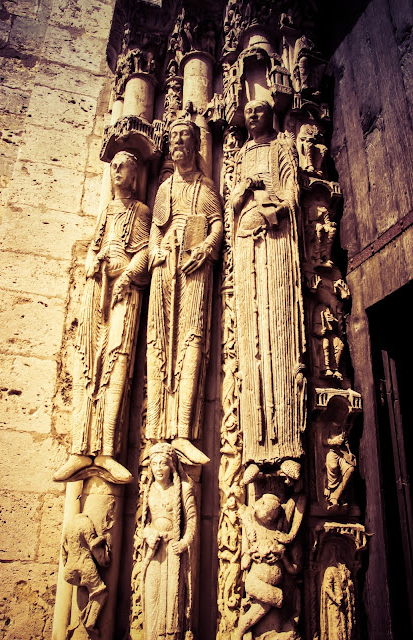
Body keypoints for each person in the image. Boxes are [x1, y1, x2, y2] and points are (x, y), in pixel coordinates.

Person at [54, 151, 151, 484]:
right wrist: (92, 261)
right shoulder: (107, 209)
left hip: (124, 291)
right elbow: (95, 245)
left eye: (123, 167)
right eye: (113, 167)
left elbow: (145, 251)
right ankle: (80, 450)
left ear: (135, 174)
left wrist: (127, 272)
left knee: (118, 363)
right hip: (97, 292)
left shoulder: (141, 211)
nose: (116, 173)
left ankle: (108, 452)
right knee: (87, 365)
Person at [230, 100, 306, 485]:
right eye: (248, 111)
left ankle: (290, 447)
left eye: (259, 109)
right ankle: (254, 453)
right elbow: (230, 205)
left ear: (271, 113)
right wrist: (243, 194)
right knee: (251, 346)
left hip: (276, 245)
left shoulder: (282, 147)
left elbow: (292, 193)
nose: (252, 114)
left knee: (280, 339)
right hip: (246, 246)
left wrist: (273, 210)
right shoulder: (242, 154)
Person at [146, 119, 223, 464]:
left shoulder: (205, 187)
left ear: (194, 146)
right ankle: (155, 432)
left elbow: (217, 223)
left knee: (191, 340)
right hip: (165, 267)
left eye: (184, 137)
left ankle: (182, 432)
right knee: (158, 341)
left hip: (195, 266)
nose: (178, 143)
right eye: (173, 138)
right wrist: (155, 252)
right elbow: (154, 229)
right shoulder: (164, 189)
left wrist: (206, 249)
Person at [142, 442, 197, 640]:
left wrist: (184, 542)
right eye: (154, 464)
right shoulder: (148, 489)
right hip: (154, 550)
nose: (158, 468)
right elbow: (144, 523)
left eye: (163, 463)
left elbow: (191, 521)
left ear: (171, 466)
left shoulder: (183, 489)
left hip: (174, 550)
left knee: (173, 599)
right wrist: (148, 534)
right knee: (152, 594)